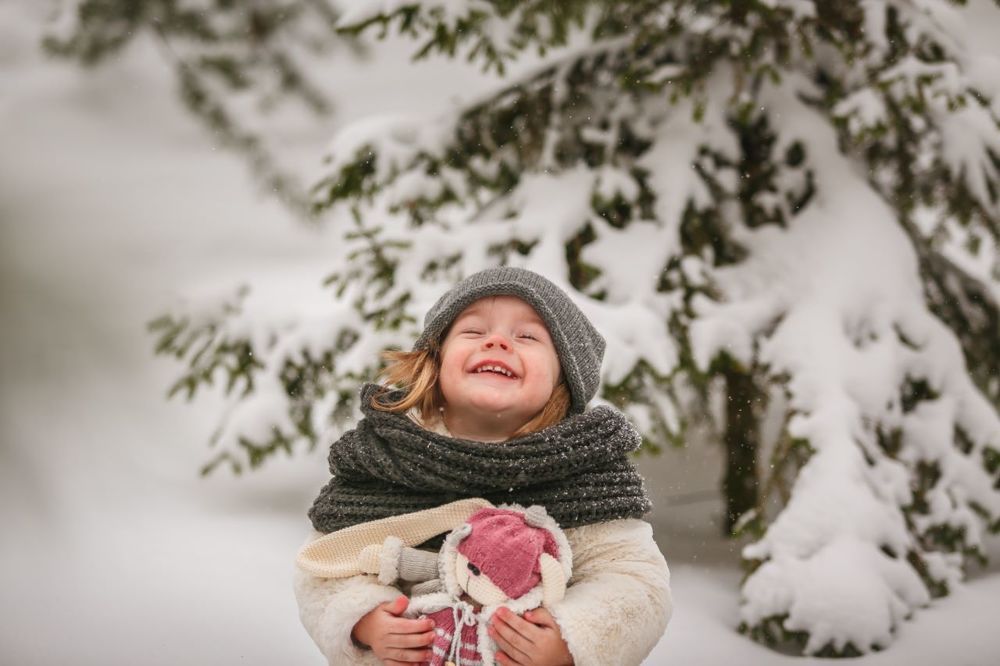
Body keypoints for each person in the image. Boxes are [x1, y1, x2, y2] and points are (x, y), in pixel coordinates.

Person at [294, 267, 672, 666]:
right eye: (473, 331)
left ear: (564, 377)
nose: (497, 342)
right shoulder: (387, 460)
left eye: (527, 337)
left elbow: (635, 583)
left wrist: (571, 637)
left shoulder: (582, 474)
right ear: (435, 360)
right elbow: (323, 566)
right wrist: (365, 620)